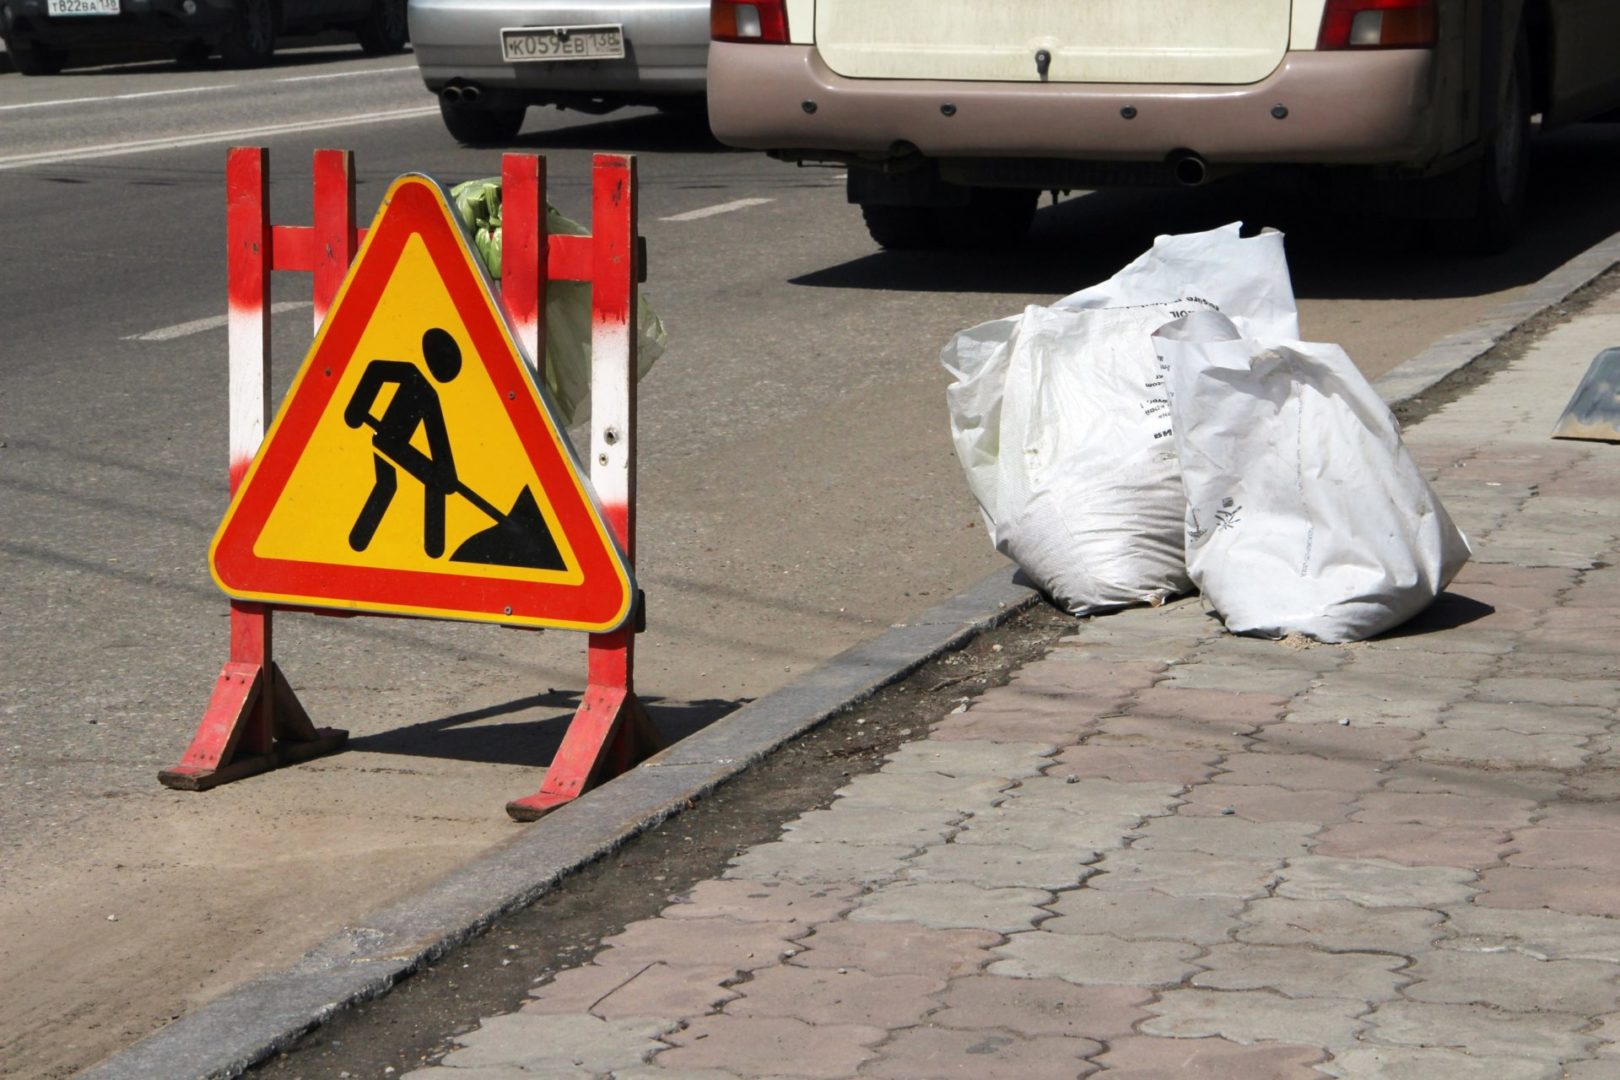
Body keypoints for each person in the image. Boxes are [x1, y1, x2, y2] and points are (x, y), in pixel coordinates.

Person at [343, 327, 463, 557]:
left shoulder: (428, 393)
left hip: (392, 444)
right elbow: (376, 371)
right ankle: (433, 548)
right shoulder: (414, 377)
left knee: (389, 485)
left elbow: (438, 440)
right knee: (408, 484)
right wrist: (356, 410)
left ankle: (360, 541)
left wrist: (447, 473)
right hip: (389, 442)